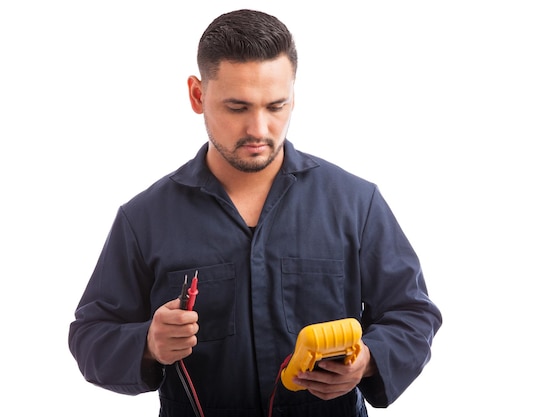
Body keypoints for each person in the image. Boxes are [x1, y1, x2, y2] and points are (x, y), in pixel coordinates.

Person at [68, 8, 442, 417]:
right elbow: (91, 335)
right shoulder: (144, 219)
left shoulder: (356, 203)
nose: (260, 129)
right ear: (197, 95)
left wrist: (368, 358)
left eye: (276, 106)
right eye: (237, 107)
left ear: (293, 96)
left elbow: (412, 313)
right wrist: (148, 345)